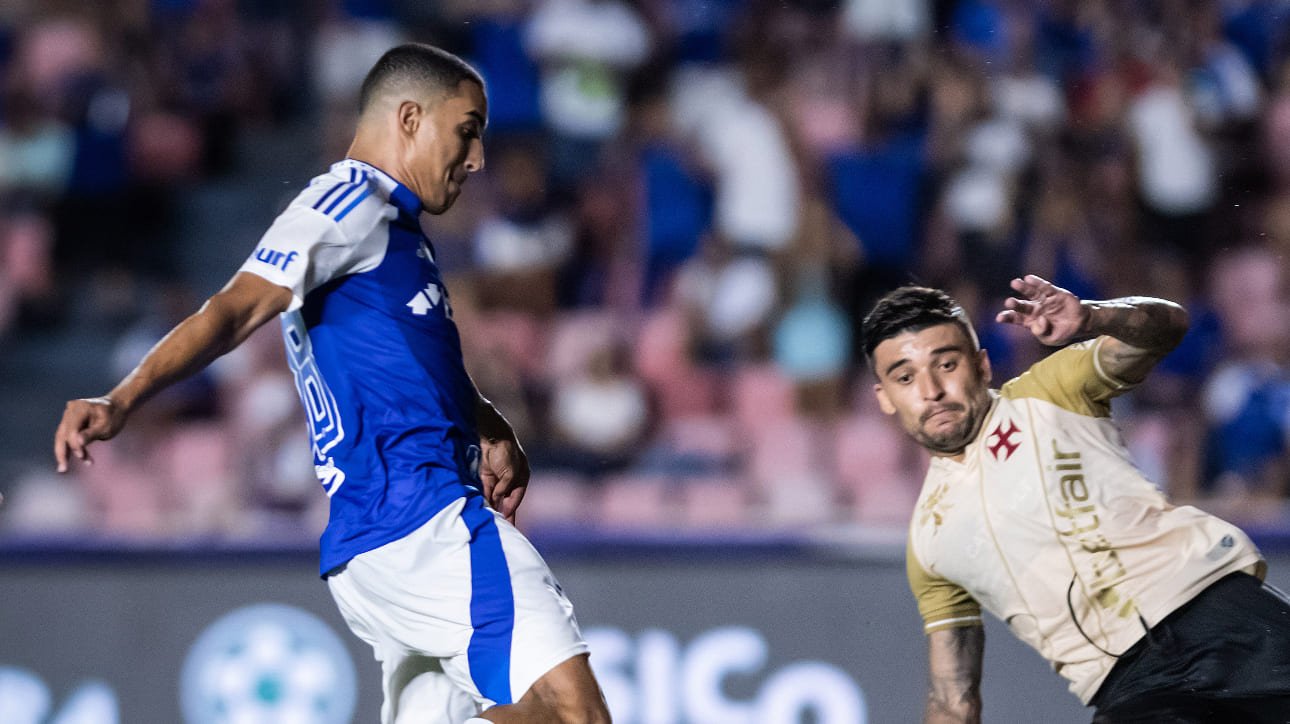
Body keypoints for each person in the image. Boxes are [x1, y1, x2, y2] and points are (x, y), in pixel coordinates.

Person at [53, 43, 611, 724]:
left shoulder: (393, 232)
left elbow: (406, 362)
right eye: (467, 132)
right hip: (425, 521)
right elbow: (235, 307)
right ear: (409, 118)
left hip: (377, 543)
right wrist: (122, 399)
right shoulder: (350, 203)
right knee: (571, 712)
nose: (477, 160)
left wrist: (487, 426)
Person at [861, 275, 1290, 723]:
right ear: (885, 398)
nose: (931, 390)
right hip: (1136, 691)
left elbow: (1168, 327)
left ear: (982, 365)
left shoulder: (1051, 392)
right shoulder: (929, 543)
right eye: (905, 377)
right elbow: (953, 702)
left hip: (1226, 617)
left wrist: (1094, 317)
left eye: (946, 364)